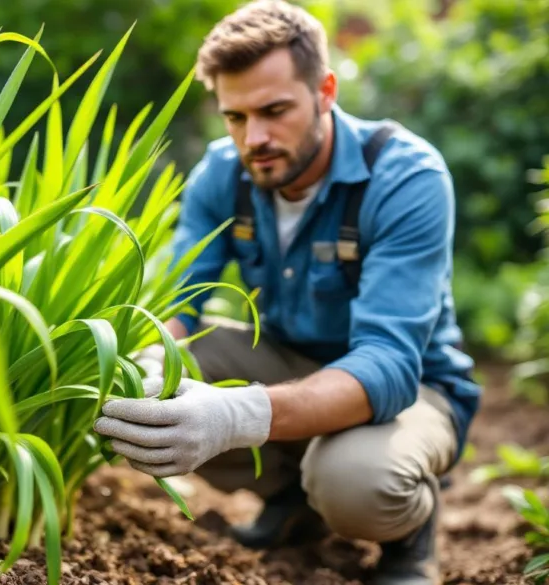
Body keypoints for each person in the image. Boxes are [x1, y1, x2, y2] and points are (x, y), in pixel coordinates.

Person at [92, 1, 482, 584]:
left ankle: (408, 532)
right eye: (235, 117)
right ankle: (292, 501)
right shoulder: (221, 173)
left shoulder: (405, 177)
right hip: (291, 363)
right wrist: (148, 363)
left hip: (413, 390)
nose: (255, 138)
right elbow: (179, 303)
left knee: (355, 483)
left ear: (325, 91)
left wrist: (234, 416)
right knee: (167, 368)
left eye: (275, 111)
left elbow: (389, 364)